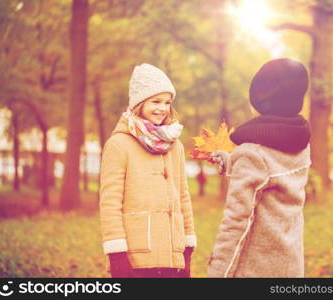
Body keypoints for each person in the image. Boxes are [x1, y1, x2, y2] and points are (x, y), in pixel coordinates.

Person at [207, 58, 311, 277]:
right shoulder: (300, 142)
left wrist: (218, 272)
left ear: (261, 101)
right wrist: (231, 162)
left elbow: (236, 222)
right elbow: (272, 178)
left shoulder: (252, 154)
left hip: (255, 268)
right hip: (289, 264)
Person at [99, 63, 197, 278]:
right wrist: (117, 255)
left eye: (167, 102)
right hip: (136, 258)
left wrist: (187, 246)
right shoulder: (119, 144)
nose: (162, 108)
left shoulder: (175, 145)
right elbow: (110, 203)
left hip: (174, 255)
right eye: (155, 101)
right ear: (139, 103)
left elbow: (183, 197)